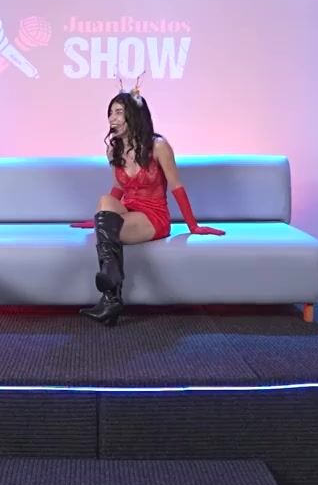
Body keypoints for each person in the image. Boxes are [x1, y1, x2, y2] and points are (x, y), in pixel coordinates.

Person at [73, 86, 225, 326]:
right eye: (110, 113)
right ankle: (112, 289)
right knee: (104, 200)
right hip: (128, 209)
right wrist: (99, 217)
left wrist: (193, 226)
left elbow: (176, 186)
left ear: (134, 115)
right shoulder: (113, 149)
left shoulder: (158, 146)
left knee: (108, 231)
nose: (112, 118)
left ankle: (110, 297)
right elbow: (118, 188)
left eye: (118, 112)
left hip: (153, 215)